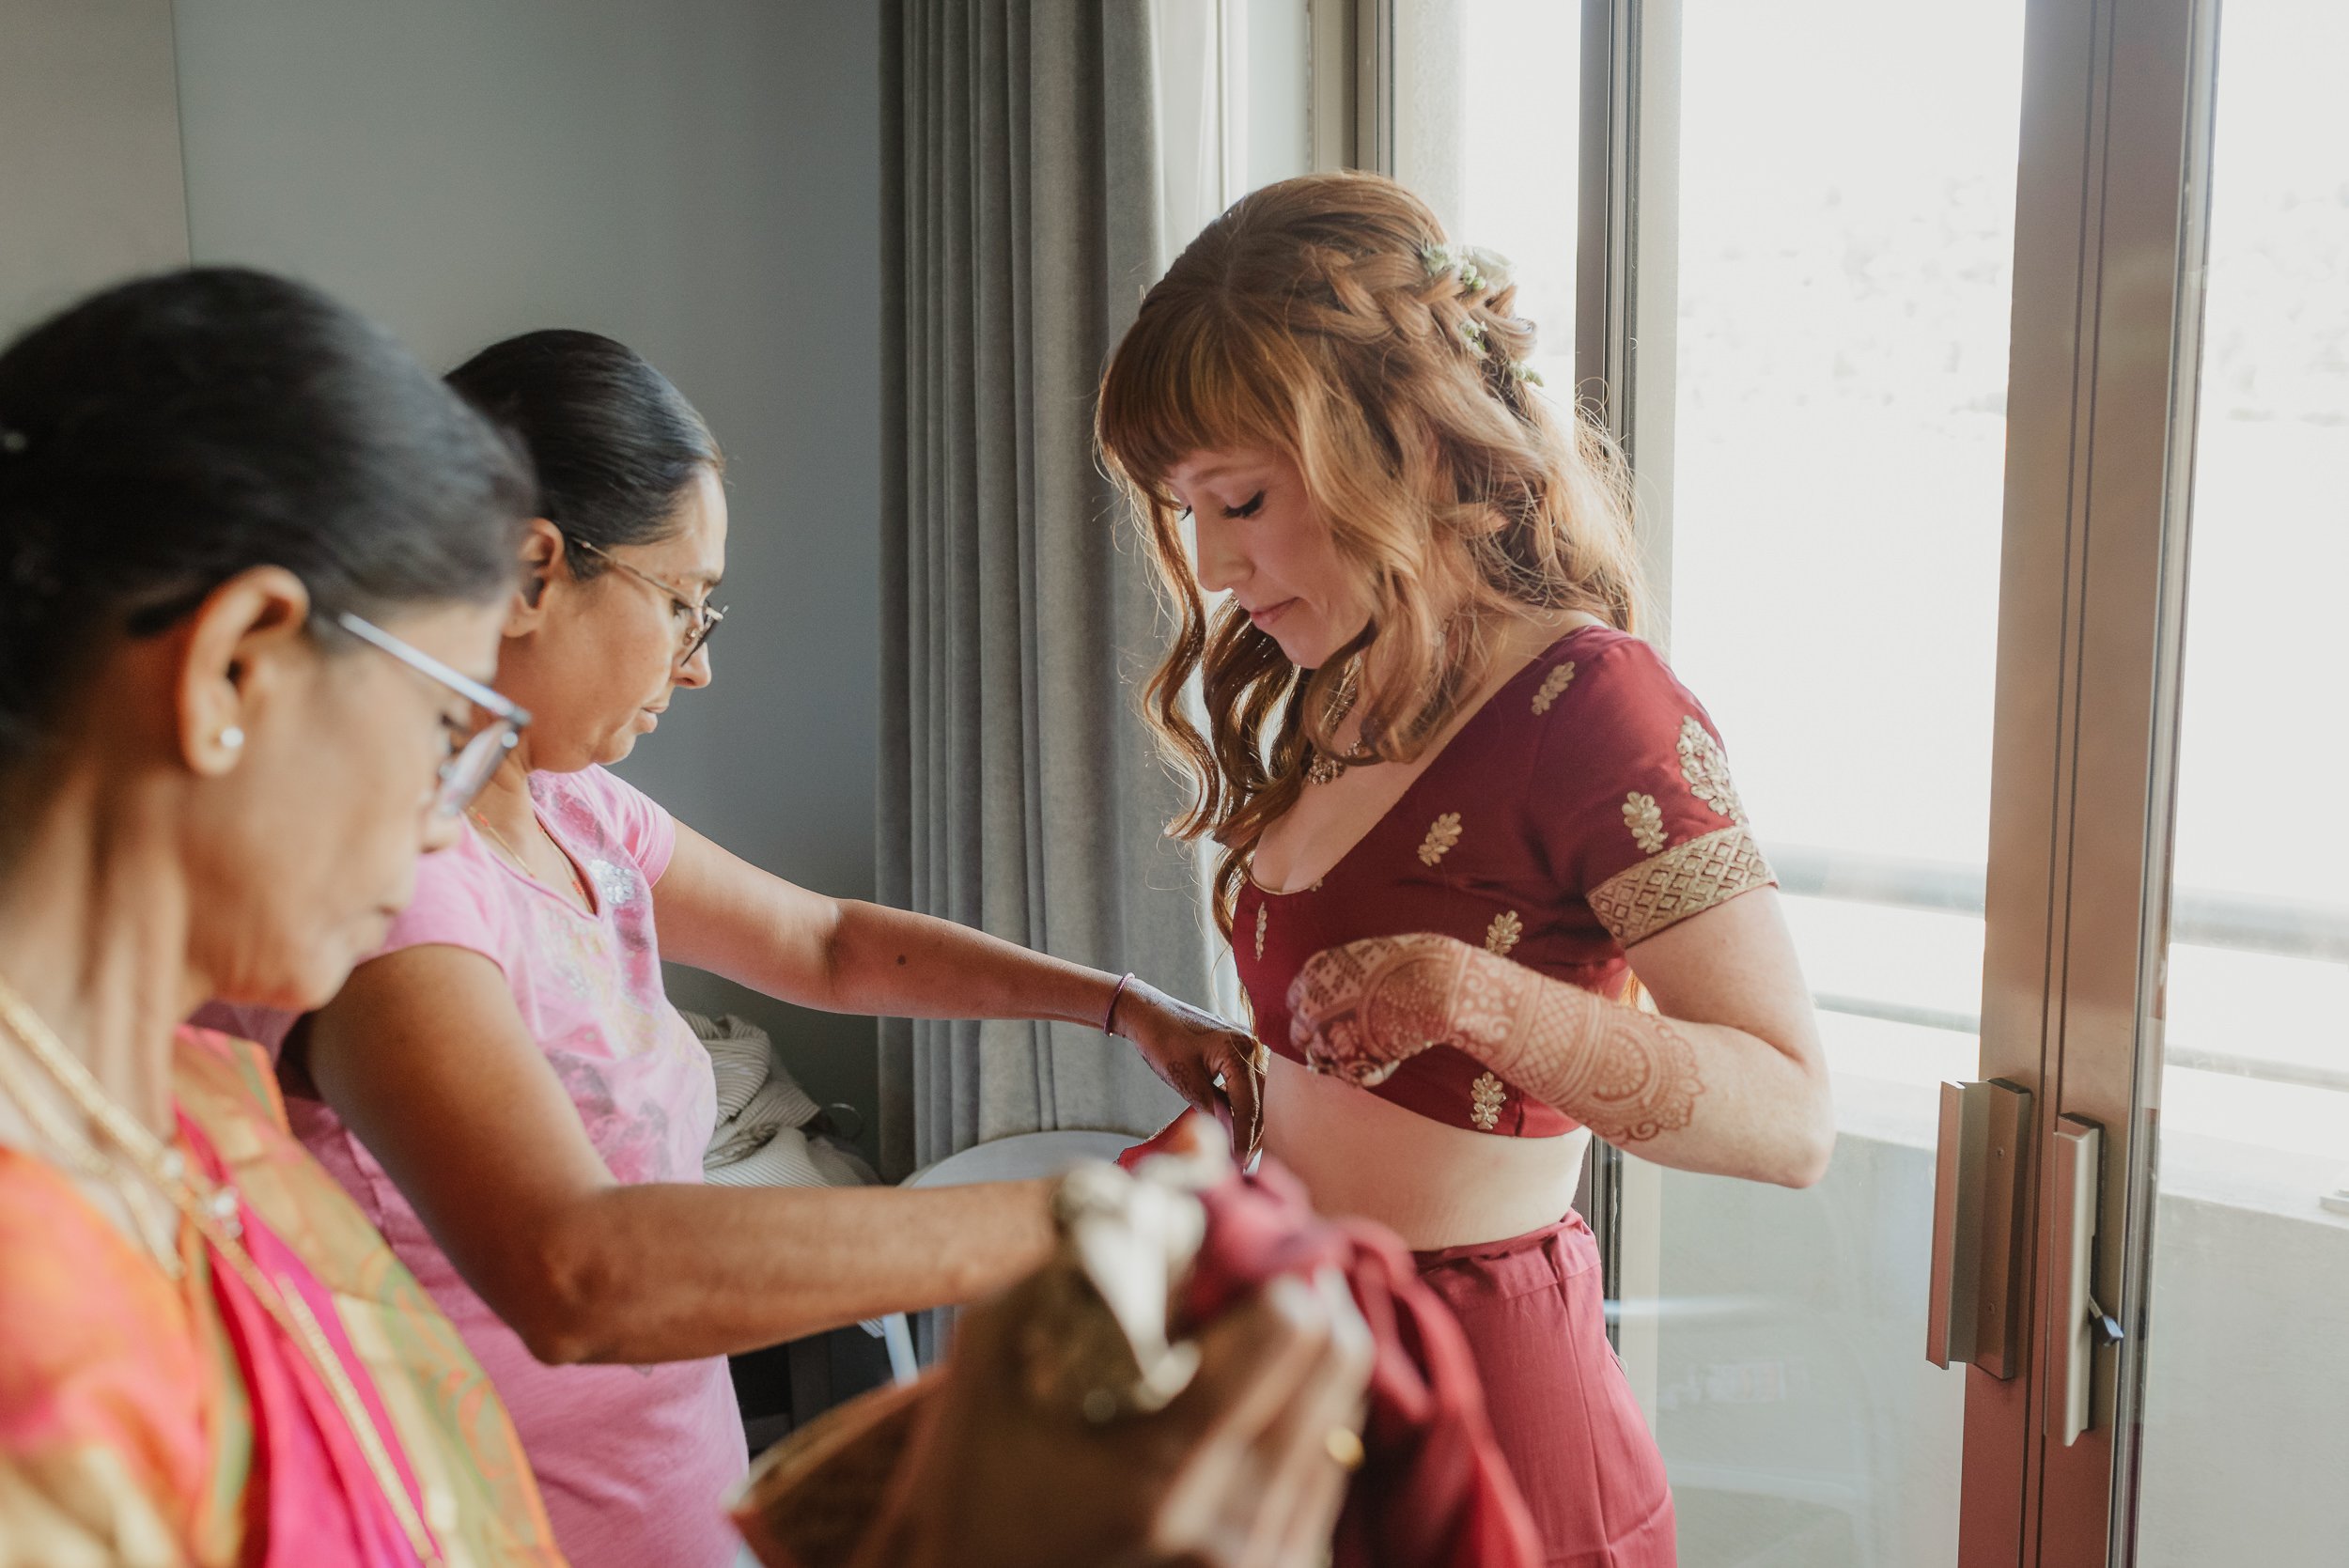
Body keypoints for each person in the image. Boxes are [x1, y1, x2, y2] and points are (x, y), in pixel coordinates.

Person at [0, 269, 1365, 1568]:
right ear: (236, 666)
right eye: (433, 726)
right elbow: (571, 1270)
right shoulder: (44, 1294)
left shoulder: (180, 1113)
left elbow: (825, 940)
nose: (436, 816)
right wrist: (1100, 1227)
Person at [1094, 171, 1837, 1563]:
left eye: (1239, 498)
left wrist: (1468, 992)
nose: (1206, 562)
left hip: (1487, 1392)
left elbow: (1791, 1116)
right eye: (1184, 509)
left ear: (1404, 443)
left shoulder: (1596, 703)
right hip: (1305, 1361)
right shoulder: (1335, 687)